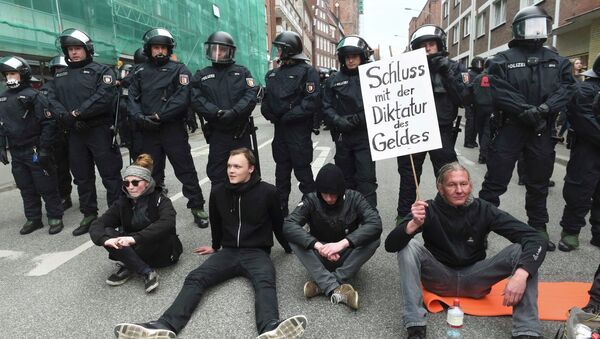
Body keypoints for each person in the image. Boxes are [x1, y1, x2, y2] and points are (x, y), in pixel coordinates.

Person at [113, 148, 306, 339]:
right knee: (195, 278)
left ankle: (269, 328)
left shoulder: (268, 192)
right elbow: (216, 221)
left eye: (237, 166)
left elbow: (278, 223)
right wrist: (215, 246)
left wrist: (289, 248)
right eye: (229, 166)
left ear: (251, 169)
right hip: (228, 251)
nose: (231, 170)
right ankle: (164, 325)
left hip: (257, 252)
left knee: (265, 282)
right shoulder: (219, 191)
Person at [385, 162, 547, 339]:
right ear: (440, 188)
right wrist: (413, 224)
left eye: (463, 184)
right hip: (439, 278)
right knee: (408, 245)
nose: (459, 190)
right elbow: (391, 245)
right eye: (452, 185)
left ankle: (526, 331)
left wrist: (521, 275)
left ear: (470, 186)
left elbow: (536, 238)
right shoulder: (427, 209)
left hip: (476, 279)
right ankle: (415, 326)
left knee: (520, 251)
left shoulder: (484, 209)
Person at [478, 6, 576, 252]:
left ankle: (538, 229)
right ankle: (478, 228)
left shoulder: (558, 61)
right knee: (494, 182)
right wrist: (524, 109)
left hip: (541, 130)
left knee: (538, 182)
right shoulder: (501, 60)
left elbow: (567, 89)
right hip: (510, 127)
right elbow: (496, 89)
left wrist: (543, 109)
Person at [128, 28, 209, 228]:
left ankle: (197, 206)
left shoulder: (180, 69)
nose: (160, 51)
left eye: (163, 47)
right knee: (151, 172)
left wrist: (159, 116)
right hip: (147, 130)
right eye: (156, 47)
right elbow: (131, 98)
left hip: (172, 128)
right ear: (149, 49)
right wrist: (139, 117)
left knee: (185, 169)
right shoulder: (138, 71)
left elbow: (182, 99)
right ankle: (151, 208)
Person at [47, 28, 123, 236]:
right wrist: (66, 116)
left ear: (87, 49)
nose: (74, 53)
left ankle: (117, 214)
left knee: (110, 175)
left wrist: (78, 113)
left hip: (98, 130)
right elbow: (50, 98)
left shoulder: (102, 71)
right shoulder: (60, 74)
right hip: (74, 132)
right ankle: (89, 214)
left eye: (78, 48)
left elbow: (104, 96)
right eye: (70, 49)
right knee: (82, 176)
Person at [283, 163, 381, 310]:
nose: (329, 198)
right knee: (294, 238)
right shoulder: (311, 199)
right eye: (324, 193)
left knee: (374, 238)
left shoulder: (355, 198)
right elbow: (289, 224)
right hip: (320, 253)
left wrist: (343, 243)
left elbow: (376, 223)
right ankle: (335, 287)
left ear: (341, 190)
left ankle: (324, 284)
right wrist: (317, 245)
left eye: (333, 194)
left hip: (346, 254)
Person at [396, 25, 467, 223]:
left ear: (439, 45)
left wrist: (446, 73)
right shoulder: (405, 70)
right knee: (409, 176)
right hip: (414, 130)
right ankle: (404, 216)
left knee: (448, 176)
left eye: (431, 44)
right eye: (423, 46)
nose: (427, 48)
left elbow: (463, 98)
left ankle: (452, 215)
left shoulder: (454, 67)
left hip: (442, 130)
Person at [89, 154, 181, 292]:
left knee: (159, 231)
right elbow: (97, 224)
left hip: (161, 251)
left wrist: (133, 239)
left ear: (147, 183)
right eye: (126, 183)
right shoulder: (122, 203)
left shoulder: (161, 200)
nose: (130, 187)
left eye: (135, 182)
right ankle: (145, 271)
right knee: (107, 232)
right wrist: (105, 240)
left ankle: (129, 264)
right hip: (136, 248)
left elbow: (167, 223)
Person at [0, 56, 64, 235]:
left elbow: (48, 123)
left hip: (35, 148)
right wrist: (1, 147)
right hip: (16, 151)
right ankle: (33, 218)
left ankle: (55, 216)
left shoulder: (34, 96)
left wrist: (44, 148)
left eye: (13, 73)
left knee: (46, 184)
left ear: (23, 73)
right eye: (6, 74)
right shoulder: (2, 98)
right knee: (25, 186)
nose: (9, 77)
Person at [261, 31, 319, 216]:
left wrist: (289, 116)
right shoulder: (272, 74)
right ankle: (280, 209)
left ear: (289, 50)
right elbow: (266, 101)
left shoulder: (308, 71)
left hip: (298, 132)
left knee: (304, 174)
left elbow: (311, 101)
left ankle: (312, 210)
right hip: (280, 132)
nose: (277, 52)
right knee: (282, 173)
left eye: (280, 48)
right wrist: (270, 114)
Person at [191, 31, 258, 186]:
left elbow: (250, 95)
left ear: (229, 51)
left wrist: (235, 112)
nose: (218, 53)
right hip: (218, 133)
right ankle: (220, 208)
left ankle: (247, 207)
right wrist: (215, 112)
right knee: (218, 174)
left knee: (245, 172)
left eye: (222, 49)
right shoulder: (202, 75)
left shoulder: (242, 72)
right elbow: (195, 97)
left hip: (239, 133)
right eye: (215, 49)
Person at [322, 35, 378, 208]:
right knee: (346, 180)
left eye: (355, 56)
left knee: (366, 180)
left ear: (362, 56)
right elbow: (325, 106)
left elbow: (378, 103)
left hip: (365, 137)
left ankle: (369, 222)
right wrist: (337, 120)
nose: (351, 60)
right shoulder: (332, 80)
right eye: (347, 57)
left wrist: (356, 120)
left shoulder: (374, 77)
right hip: (342, 137)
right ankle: (348, 217)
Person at [557, 53, 600, 251]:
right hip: (588, 149)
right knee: (579, 190)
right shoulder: (584, 90)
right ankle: (570, 232)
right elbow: (584, 120)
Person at [40, 55, 73, 210]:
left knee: (82, 169)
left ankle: (88, 199)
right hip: (57, 133)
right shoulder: (48, 88)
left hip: (76, 130)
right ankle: (65, 196)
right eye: (57, 69)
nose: (60, 72)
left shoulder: (73, 84)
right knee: (60, 168)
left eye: (62, 68)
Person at [464, 56, 484, 149]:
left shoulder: (481, 75)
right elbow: (465, 87)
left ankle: (472, 140)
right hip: (470, 101)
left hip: (476, 102)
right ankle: (468, 141)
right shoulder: (467, 74)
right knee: (471, 122)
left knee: (475, 122)